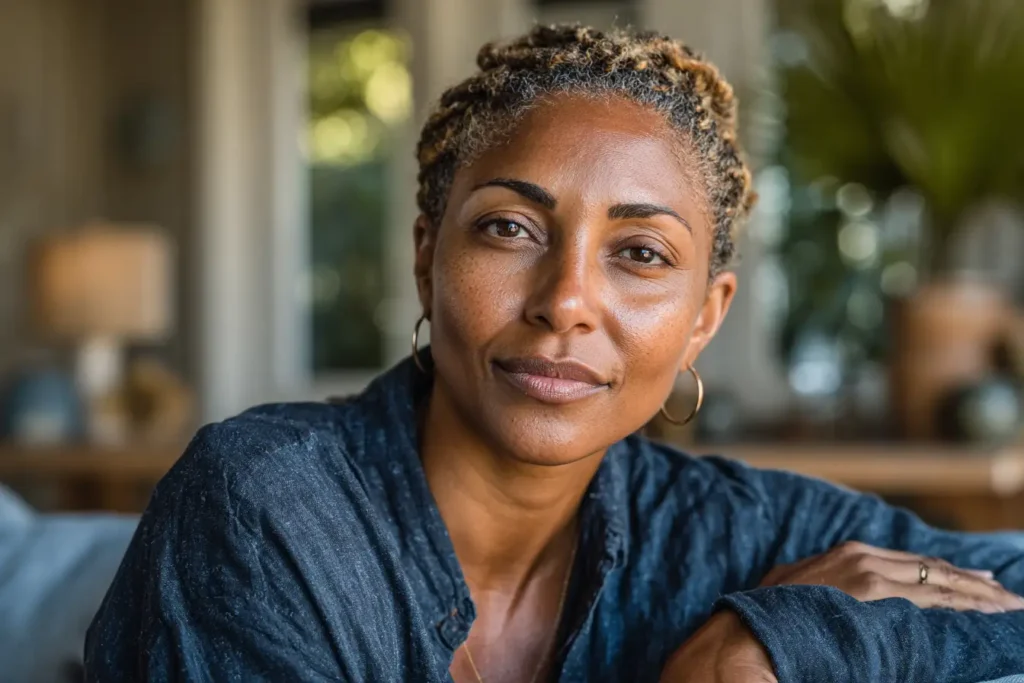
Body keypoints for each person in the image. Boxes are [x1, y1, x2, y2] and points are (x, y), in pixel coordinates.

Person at [85, 25, 1024, 683]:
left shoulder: (728, 532)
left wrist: (777, 641)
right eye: (509, 228)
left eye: (641, 253)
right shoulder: (265, 508)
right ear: (426, 257)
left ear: (704, 317)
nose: (566, 301)